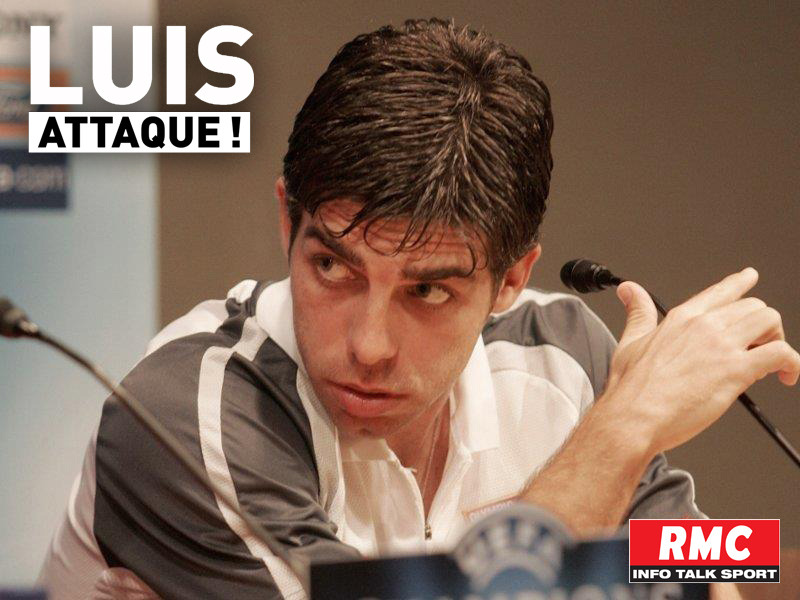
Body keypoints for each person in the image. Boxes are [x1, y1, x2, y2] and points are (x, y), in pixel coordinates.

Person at [39, 18, 798, 600]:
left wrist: (738, 556)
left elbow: (701, 571)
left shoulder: (563, 353)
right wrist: (623, 431)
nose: (369, 345)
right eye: (333, 267)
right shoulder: (184, 414)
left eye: (428, 289)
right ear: (287, 223)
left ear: (512, 278)